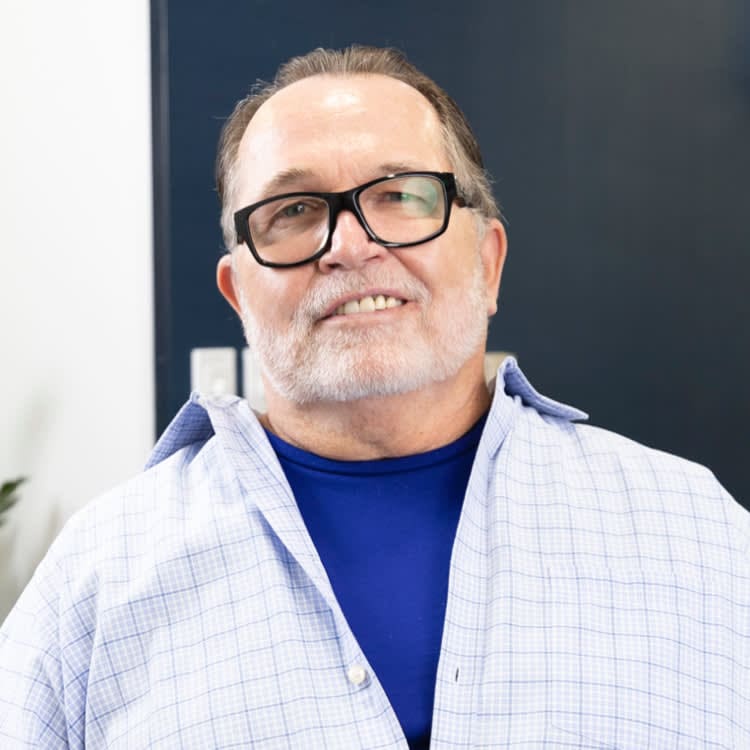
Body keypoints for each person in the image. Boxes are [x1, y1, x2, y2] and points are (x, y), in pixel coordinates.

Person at [1, 45, 748, 749]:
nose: (349, 246)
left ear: (487, 263)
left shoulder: (695, 530)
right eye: (292, 210)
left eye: (400, 195)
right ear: (237, 293)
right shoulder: (96, 577)